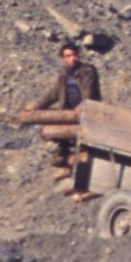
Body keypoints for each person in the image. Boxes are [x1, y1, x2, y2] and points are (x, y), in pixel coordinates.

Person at [36, 40, 97, 197]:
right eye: (68, 56)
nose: (72, 58)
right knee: (61, 143)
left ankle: (83, 180)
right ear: (63, 59)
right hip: (68, 113)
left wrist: (84, 104)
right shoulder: (63, 74)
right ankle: (66, 166)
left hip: (86, 113)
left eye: (74, 55)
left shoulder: (87, 71)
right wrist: (37, 106)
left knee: (84, 146)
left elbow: (89, 91)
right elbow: (54, 93)